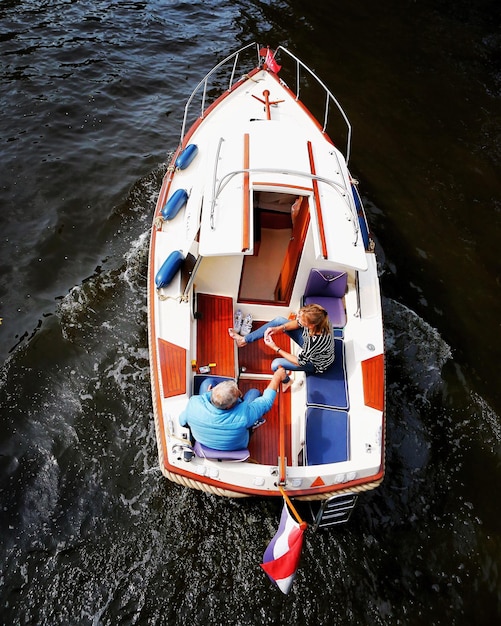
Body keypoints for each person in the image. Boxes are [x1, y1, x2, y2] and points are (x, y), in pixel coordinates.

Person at [178, 368, 287, 451]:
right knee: (254, 393)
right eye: (238, 396)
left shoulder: (193, 404)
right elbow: (266, 402)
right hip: (235, 446)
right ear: (229, 406)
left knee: (208, 381)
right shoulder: (244, 416)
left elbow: (182, 422)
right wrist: (277, 377)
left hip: (205, 442)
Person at [228, 304, 334, 387]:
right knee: (279, 320)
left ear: (311, 325)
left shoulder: (313, 343)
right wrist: (278, 328)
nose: (298, 318)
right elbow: (298, 323)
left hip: (315, 364)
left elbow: (299, 362)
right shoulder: (322, 320)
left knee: (275, 364)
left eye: (301, 319)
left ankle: (287, 381)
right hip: (311, 345)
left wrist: (275, 347)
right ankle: (243, 340)